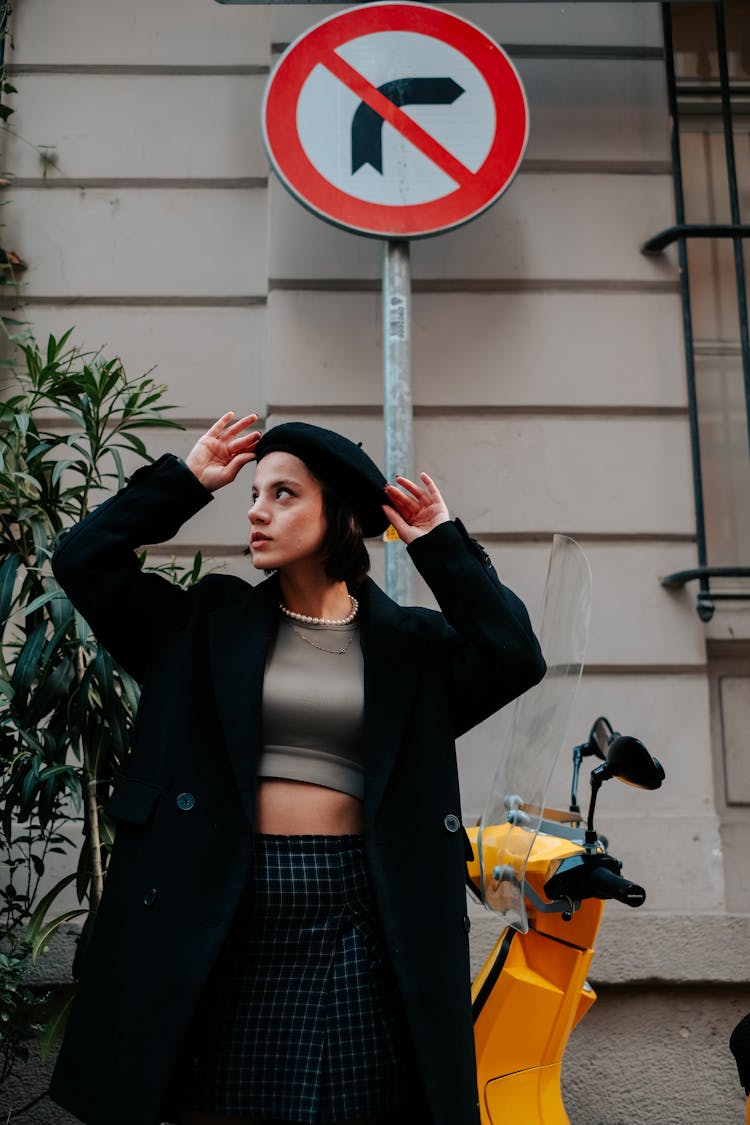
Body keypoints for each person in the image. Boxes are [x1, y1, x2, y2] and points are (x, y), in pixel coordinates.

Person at [48, 413, 546, 1125]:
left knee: (360, 1105)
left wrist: (438, 543)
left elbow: (513, 654)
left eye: (284, 494)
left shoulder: (412, 649)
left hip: (361, 921)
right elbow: (84, 560)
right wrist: (185, 481)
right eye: (254, 493)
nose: (256, 509)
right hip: (225, 914)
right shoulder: (199, 628)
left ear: (336, 513)